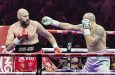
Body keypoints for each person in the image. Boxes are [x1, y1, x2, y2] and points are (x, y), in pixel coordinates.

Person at [41, 12, 110, 72]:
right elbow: (69, 26)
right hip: (90, 59)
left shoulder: (99, 29)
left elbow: (91, 43)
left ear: (89, 21)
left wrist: (86, 30)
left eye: (84, 21)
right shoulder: (83, 27)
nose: (83, 23)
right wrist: (53, 22)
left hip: (101, 59)